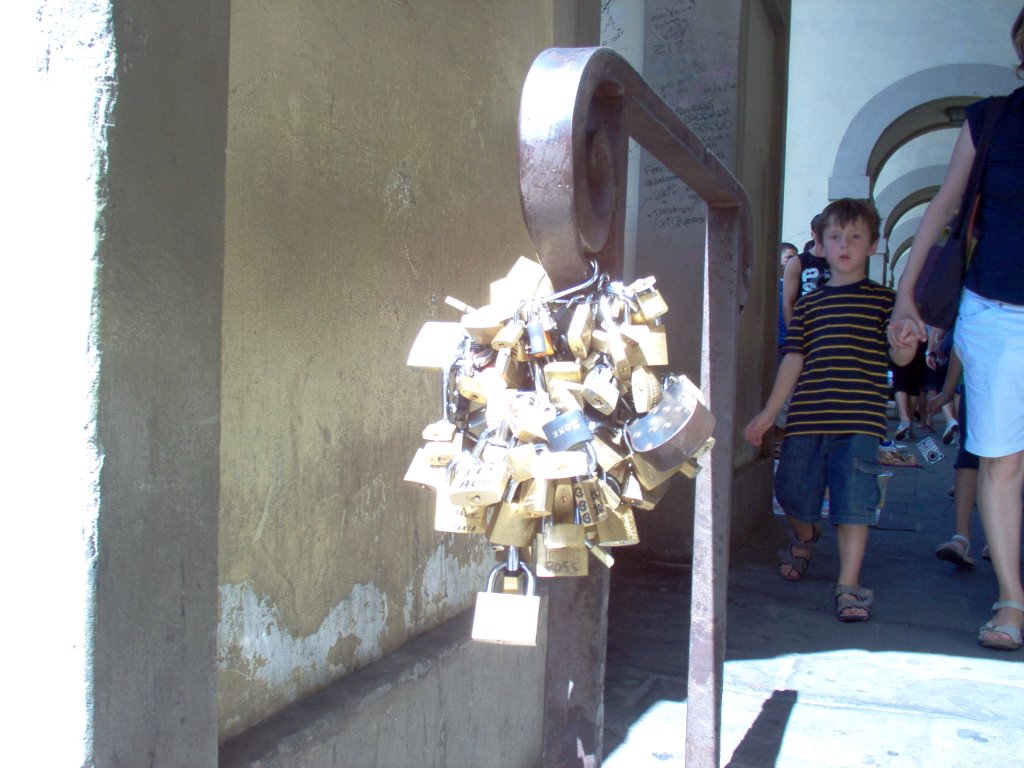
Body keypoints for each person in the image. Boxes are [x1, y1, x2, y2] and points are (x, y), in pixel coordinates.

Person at [889, 8, 1024, 650]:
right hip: (996, 310)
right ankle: (1011, 598)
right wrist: (907, 296)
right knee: (1001, 457)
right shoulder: (991, 119)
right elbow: (943, 207)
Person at [745, 198, 917, 622]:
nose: (845, 245)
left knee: (853, 503)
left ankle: (849, 584)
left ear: (872, 245)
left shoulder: (884, 301)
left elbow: (899, 362)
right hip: (807, 416)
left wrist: (905, 347)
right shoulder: (808, 305)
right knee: (790, 491)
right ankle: (805, 536)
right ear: (819, 244)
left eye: (855, 237)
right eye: (836, 237)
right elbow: (793, 359)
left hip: (859, 421)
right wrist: (770, 412)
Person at [929, 350, 980, 566]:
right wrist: (947, 391)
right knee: (971, 457)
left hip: (983, 382)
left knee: (973, 459)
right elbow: (962, 339)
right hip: (981, 383)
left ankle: (966, 538)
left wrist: (947, 392)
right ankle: (963, 539)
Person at [781, 215, 830, 329]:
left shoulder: (839, 261)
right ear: (813, 234)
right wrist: (793, 334)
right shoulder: (797, 262)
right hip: (807, 326)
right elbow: (788, 303)